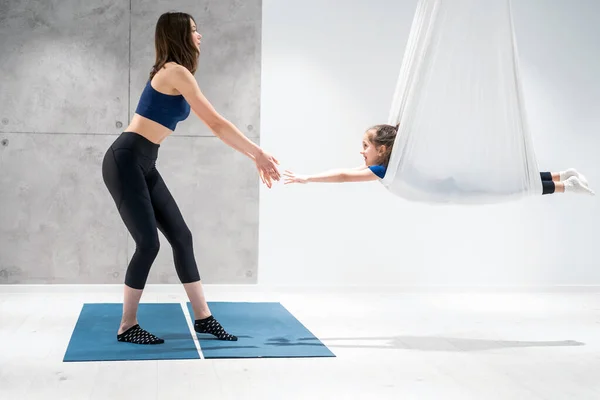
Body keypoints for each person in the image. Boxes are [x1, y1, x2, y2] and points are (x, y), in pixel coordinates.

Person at [101, 12, 281, 345]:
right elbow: (216, 124)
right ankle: (127, 325)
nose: (200, 36)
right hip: (125, 159)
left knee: (181, 237)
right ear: (179, 35)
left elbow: (216, 126)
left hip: (143, 161)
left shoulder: (175, 72)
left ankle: (204, 318)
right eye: (194, 30)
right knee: (148, 243)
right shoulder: (175, 71)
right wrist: (256, 152)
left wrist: (253, 154)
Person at [283, 124, 595, 196]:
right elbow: (352, 170)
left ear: (381, 149)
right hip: (458, 179)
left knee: (511, 186)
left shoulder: (383, 169)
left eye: (365, 145)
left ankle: (565, 185)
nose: (360, 151)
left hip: (459, 186)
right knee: (510, 178)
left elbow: (344, 176)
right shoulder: (390, 165)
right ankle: (560, 176)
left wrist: (307, 178)